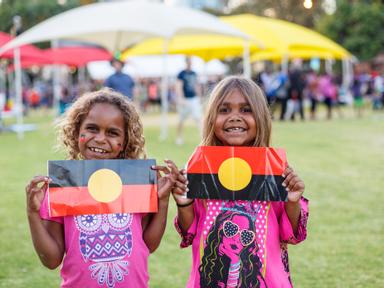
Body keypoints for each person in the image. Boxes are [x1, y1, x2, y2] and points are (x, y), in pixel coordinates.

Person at [25, 88, 187, 288]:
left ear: (123, 142)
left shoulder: (134, 182)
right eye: (92, 128)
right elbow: (51, 260)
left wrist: (162, 201)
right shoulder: (64, 184)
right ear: (77, 133)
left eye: (112, 133)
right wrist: (33, 213)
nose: (101, 139)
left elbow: (148, 245)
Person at [173, 76, 309, 287]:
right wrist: (184, 203)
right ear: (211, 118)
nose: (234, 117)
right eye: (224, 110)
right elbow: (190, 230)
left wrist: (292, 200)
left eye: (246, 110)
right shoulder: (201, 166)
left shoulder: (271, 168)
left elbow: (290, 233)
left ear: (261, 117)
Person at [175, 56, 202, 145]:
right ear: (186, 62)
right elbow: (179, 87)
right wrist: (181, 99)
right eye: (189, 61)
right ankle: (179, 137)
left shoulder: (194, 73)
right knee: (181, 120)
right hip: (185, 99)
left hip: (193, 99)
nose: (190, 63)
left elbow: (197, 85)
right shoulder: (181, 74)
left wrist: (199, 96)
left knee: (198, 118)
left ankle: (202, 138)